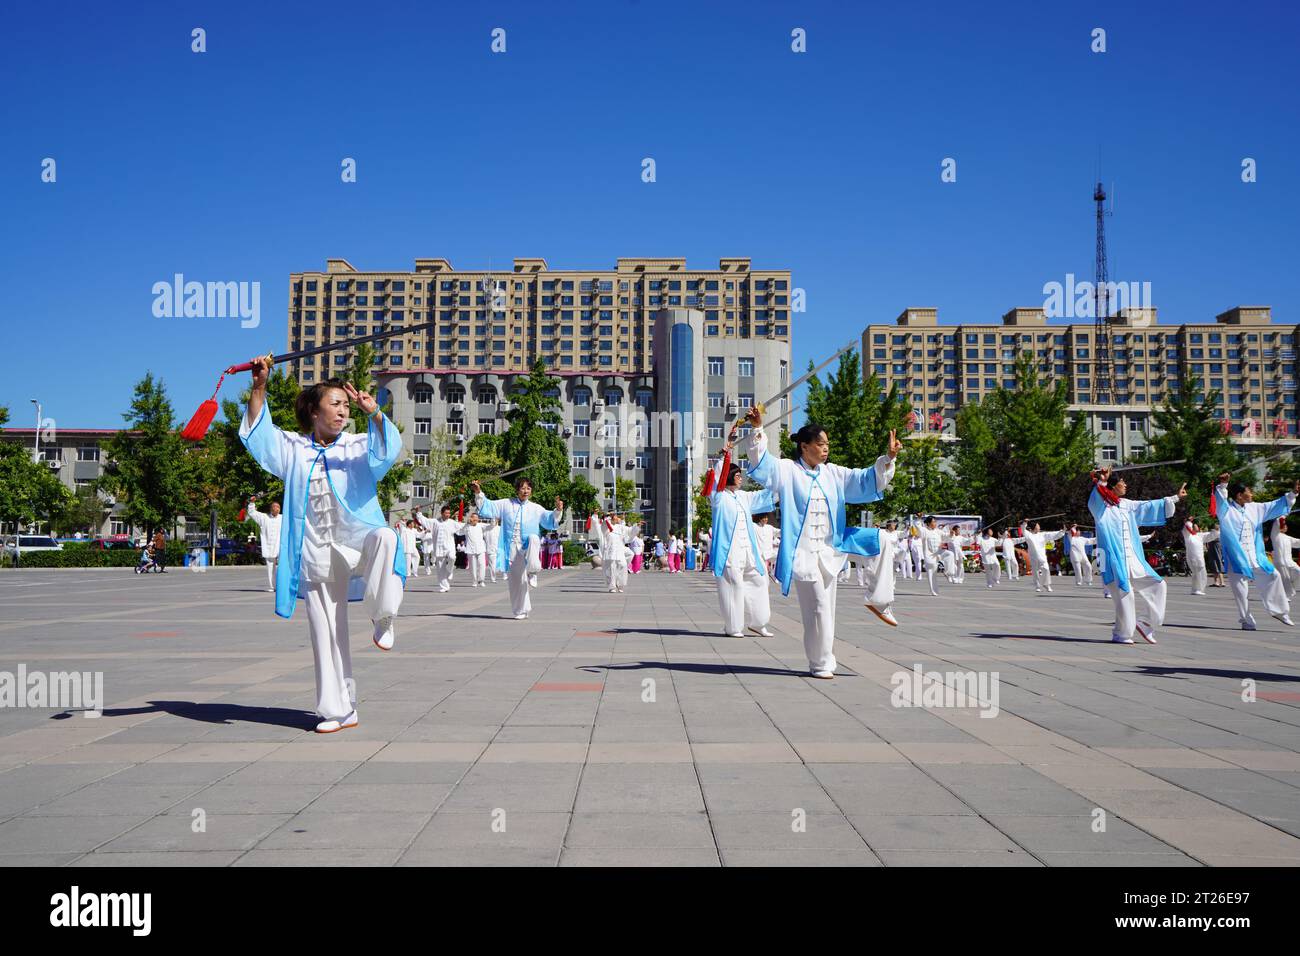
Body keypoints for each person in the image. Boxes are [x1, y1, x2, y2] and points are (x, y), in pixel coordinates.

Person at [238, 354, 406, 734]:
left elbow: (387, 450)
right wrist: (260, 384)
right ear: (314, 411)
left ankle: (383, 614)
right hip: (315, 550)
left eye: (347, 405)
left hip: (356, 541)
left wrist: (374, 413)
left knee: (386, 537)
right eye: (336, 403)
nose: (344, 410)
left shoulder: (358, 446)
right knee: (326, 632)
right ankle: (339, 708)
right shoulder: (294, 449)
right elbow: (259, 434)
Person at [745, 409, 903, 677]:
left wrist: (888, 458)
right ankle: (820, 663)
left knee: (883, 539)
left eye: (828, 445)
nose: (826, 449)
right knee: (817, 608)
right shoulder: (787, 470)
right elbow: (763, 466)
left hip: (832, 548)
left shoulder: (834, 474)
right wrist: (758, 428)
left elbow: (865, 479)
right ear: (804, 447)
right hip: (804, 554)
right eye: (821, 444)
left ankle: (879, 599)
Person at [1088, 467, 1186, 645]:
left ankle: (1146, 623)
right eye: (1122, 482)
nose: (1125, 484)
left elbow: (1148, 506)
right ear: (1113, 485)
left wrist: (1175, 498)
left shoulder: (1127, 505)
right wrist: (1102, 480)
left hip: (1133, 559)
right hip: (1113, 559)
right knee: (1125, 594)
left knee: (1159, 585)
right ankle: (1122, 634)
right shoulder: (1101, 508)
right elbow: (1095, 499)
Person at [1214, 471, 1299, 630]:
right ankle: (1246, 620)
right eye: (1249, 491)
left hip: (1254, 557)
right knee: (1241, 592)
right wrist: (1223, 485)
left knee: (1273, 575)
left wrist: (1293, 493)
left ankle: (1279, 611)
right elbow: (1219, 500)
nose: (1252, 494)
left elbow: (1274, 505)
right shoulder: (1226, 511)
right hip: (1236, 558)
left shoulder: (1255, 508)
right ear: (1240, 495)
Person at [707, 443, 776, 637]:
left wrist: (783, 483)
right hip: (729, 551)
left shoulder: (744, 497)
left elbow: (766, 495)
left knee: (760, 581)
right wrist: (724, 457)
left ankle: (759, 622)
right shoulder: (718, 498)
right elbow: (717, 479)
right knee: (733, 587)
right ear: (728, 476)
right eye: (737, 475)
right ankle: (733, 627)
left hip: (748, 552)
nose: (741, 478)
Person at [474, 477, 565, 620]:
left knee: (534, 538)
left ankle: (533, 570)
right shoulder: (505, 504)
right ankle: (521, 610)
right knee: (517, 581)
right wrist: (479, 492)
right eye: (523, 488)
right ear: (517, 490)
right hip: (511, 546)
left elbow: (550, 520)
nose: (526, 491)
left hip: (528, 545)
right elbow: (488, 507)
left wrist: (558, 510)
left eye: (528, 488)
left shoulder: (536, 508)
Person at [415, 505, 462, 593]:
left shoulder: (452, 522)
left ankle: (450, 570)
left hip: (449, 547)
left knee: (452, 557)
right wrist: (418, 511)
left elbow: (461, 528)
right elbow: (423, 520)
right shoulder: (434, 522)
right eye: (446, 513)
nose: (448, 514)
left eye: (449, 513)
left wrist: (468, 524)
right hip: (439, 548)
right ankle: (444, 586)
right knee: (440, 569)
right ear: (442, 513)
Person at [246, 497, 283, 592]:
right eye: (274, 506)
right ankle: (272, 586)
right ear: (271, 508)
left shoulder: (283, 518)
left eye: (278, 507)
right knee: (270, 567)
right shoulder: (263, 517)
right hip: (269, 547)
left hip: (281, 547)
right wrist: (252, 502)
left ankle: (282, 586)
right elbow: (252, 513)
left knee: (282, 568)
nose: (276, 508)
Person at [1019, 522, 1066, 593]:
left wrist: (1062, 531)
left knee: (1046, 569)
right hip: (1033, 557)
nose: (1039, 527)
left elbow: (1053, 534)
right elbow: (1023, 529)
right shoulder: (1028, 535)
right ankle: (1037, 586)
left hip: (1042, 557)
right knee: (1036, 572)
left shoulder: (1043, 535)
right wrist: (1025, 523)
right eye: (1038, 525)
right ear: (1034, 527)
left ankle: (1047, 584)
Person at [1182, 518, 1220, 596]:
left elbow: (1211, 535)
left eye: (1196, 526)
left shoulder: (1200, 536)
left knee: (1202, 573)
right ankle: (1196, 589)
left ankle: (1199, 589)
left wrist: (1216, 529)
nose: (1196, 527)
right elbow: (1187, 527)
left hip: (1200, 558)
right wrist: (1189, 521)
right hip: (1192, 557)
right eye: (1194, 525)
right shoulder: (1188, 535)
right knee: (1197, 573)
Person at [1270, 515, 1300, 599]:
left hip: (1290, 562)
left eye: (1285, 526)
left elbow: (1298, 542)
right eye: (1283, 525)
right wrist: (1283, 515)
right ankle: (1286, 596)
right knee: (1285, 580)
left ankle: (1292, 586)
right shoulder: (1275, 535)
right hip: (1280, 562)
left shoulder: (1288, 538)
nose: (1285, 527)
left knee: (1298, 572)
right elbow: (1277, 523)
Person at [462, 511, 488, 587]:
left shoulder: (481, 525)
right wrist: (466, 523)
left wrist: (495, 518)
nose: (476, 519)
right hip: (471, 549)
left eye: (477, 518)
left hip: (481, 549)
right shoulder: (467, 527)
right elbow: (459, 532)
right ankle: (474, 581)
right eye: (474, 518)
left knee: (482, 565)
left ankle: (481, 580)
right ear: (471, 518)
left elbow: (491, 525)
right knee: (473, 567)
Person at [919, 516, 943, 596]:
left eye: (935, 522)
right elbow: (918, 526)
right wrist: (919, 518)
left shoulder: (938, 531)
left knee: (950, 555)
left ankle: (948, 572)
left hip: (937, 554)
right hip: (928, 555)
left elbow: (946, 536)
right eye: (933, 522)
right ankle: (933, 590)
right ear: (929, 523)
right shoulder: (924, 530)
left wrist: (950, 534)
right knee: (930, 572)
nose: (935, 523)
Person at [483, 518, 501, 583]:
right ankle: (493, 578)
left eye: (495, 520)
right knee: (492, 564)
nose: (493, 521)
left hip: (498, 549)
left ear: (497, 520)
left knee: (494, 565)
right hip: (490, 549)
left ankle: (494, 577)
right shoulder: (486, 528)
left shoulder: (499, 529)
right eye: (492, 520)